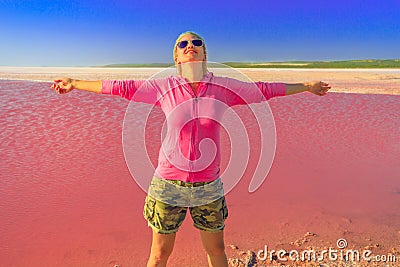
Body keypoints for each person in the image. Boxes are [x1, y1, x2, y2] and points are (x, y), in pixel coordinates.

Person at [52, 31, 331, 267]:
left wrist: (306, 86)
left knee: (217, 251)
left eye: (196, 43)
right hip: (167, 184)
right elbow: (120, 87)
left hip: (208, 185)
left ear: (204, 54)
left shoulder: (222, 88)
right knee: (160, 254)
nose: (190, 47)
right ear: (176, 57)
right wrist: (75, 83)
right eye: (182, 44)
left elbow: (263, 90)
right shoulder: (163, 87)